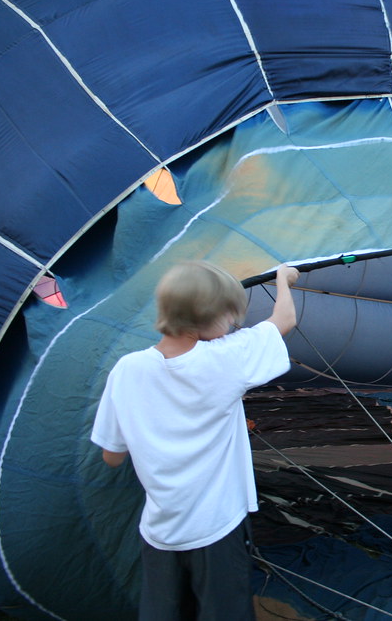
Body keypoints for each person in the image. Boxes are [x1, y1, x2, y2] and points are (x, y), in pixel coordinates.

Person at [91, 261, 300, 620]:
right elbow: (285, 320)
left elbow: (112, 456)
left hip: (161, 531)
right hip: (217, 528)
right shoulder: (225, 358)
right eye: (229, 315)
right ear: (209, 315)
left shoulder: (126, 369)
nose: (233, 324)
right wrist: (284, 278)